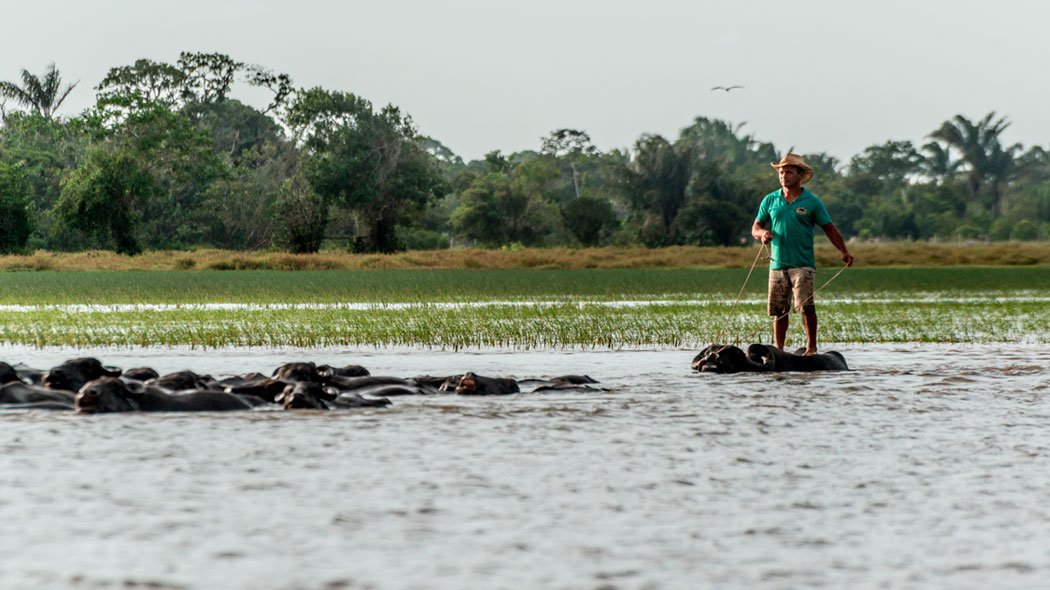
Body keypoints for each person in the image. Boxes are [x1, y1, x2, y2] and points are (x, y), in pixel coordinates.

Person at [751, 153, 854, 355]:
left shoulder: (812, 202)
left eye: (789, 172)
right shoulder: (770, 199)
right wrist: (762, 233)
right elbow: (756, 226)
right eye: (781, 172)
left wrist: (844, 251)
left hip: (803, 264)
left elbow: (829, 229)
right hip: (777, 264)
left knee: (806, 306)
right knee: (779, 311)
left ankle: (811, 348)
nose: (784, 176)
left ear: (800, 175)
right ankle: (779, 349)